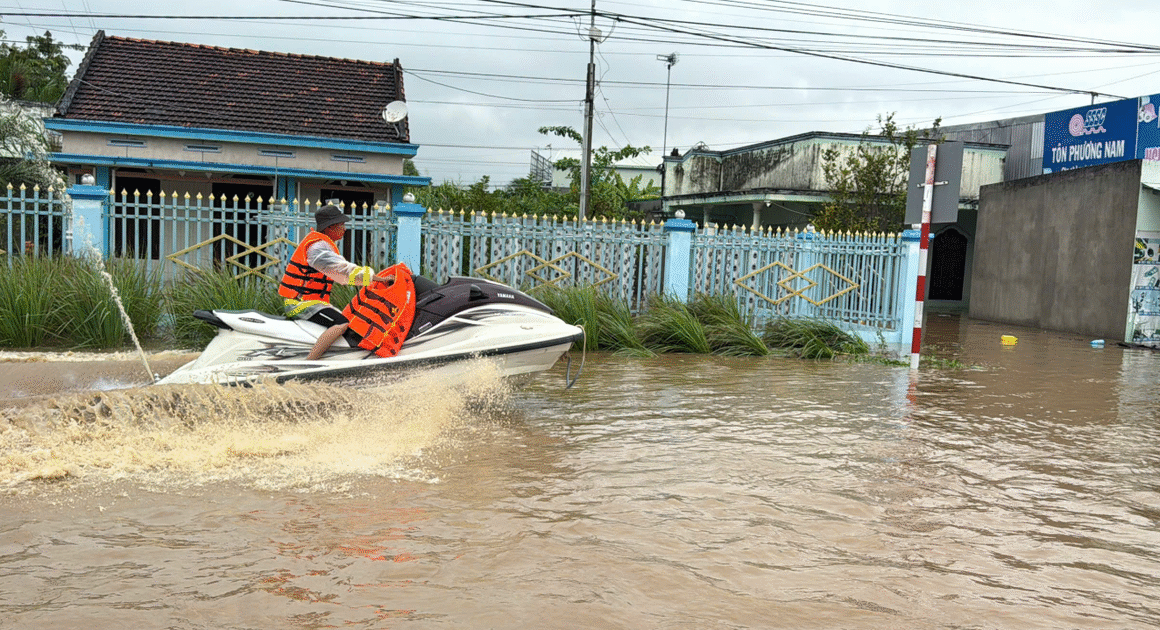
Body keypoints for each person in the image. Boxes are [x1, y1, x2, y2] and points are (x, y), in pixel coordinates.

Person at [278, 203, 376, 359]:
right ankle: (309, 363)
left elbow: (342, 272)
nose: (344, 229)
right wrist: (373, 278)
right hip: (300, 303)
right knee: (341, 323)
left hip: (312, 302)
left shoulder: (322, 244)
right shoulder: (318, 247)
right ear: (330, 227)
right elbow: (342, 270)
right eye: (341, 225)